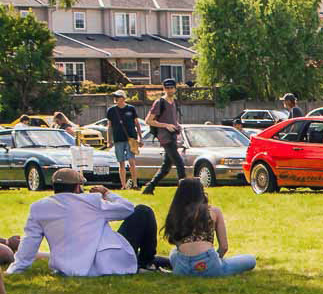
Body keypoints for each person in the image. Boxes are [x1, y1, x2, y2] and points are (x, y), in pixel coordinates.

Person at [8, 169, 161, 277]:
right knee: (143, 211)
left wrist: (15, 269)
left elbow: (29, 242)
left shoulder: (39, 207)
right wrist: (107, 193)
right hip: (106, 261)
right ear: (77, 187)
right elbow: (127, 209)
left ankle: (154, 261)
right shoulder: (91, 201)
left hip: (67, 267)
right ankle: (146, 261)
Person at [164, 179, 256, 278]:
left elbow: (176, 243)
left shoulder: (176, 213)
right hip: (209, 262)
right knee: (250, 259)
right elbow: (224, 247)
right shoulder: (214, 211)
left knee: (174, 252)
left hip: (182, 268)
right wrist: (216, 260)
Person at [141, 78, 188, 194]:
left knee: (166, 166)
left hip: (172, 136)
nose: (169, 90)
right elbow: (148, 120)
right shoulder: (159, 102)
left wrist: (177, 126)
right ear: (164, 89)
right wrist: (166, 125)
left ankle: (150, 187)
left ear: (175, 89)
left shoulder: (174, 102)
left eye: (171, 87)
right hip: (165, 137)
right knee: (179, 162)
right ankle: (185, 190)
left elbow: (173, 119)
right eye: (167, 88)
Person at [104, 89, 141, 189]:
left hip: (131, 139)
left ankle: (135, 184)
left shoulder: (131, 109)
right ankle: (123, 185)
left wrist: (140, 138)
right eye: (115, 97)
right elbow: (109, 126)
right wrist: (108, 140)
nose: (115, 99)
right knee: (121, 163)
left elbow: (137, 124)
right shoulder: (111, 110)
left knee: (132, 161)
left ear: (123, 98)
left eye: (118, 97)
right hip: (118, 139)